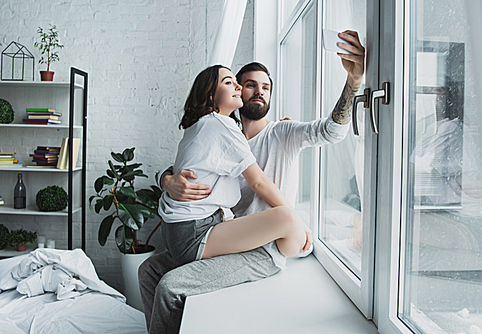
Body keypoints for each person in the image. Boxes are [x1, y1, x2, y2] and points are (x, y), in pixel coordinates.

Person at [139, 30, 365, 333]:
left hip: (262, 249)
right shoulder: (219, 133)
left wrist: (353, 83)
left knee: (170, 286)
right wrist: (167, 181)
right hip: (221, 238)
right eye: (249, 85)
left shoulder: (283, 133)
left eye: (266, 87)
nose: (259, 91)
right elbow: (182, 166)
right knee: (148, 270)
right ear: (237, 92)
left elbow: (331, 132)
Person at [158, 64, 312, 268]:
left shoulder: (199, 126)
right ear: (211, 95)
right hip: (194, 233)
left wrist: (165, 178)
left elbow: (180, 168)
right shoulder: (220, 124)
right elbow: (259, 182)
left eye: (237, 83)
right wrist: (300, 224)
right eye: (229, 82)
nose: (238, 88)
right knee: (288, 217)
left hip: (178, 230)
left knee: (287, 223)